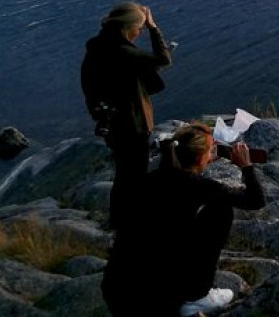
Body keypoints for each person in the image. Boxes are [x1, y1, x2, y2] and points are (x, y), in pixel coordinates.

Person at [101, 122, 267, 317]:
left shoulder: (148, 180)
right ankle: (196, 298)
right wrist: (246, 167)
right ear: (200, 157)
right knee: (221, 210)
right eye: (211, 150)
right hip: (158, 301)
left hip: (118, 292)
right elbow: (256, 200)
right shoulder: (201, 186)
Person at [81, 1, 172, 230]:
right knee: (135, 176)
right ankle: (131, 224)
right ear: (127, 28)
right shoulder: (124, 52)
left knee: (123, 175)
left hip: (110, 122)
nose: (140, 32)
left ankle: (119, 220)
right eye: (139, 28)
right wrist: (154, 28)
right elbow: (163, 59)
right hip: (132, 124)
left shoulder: (97, 48)